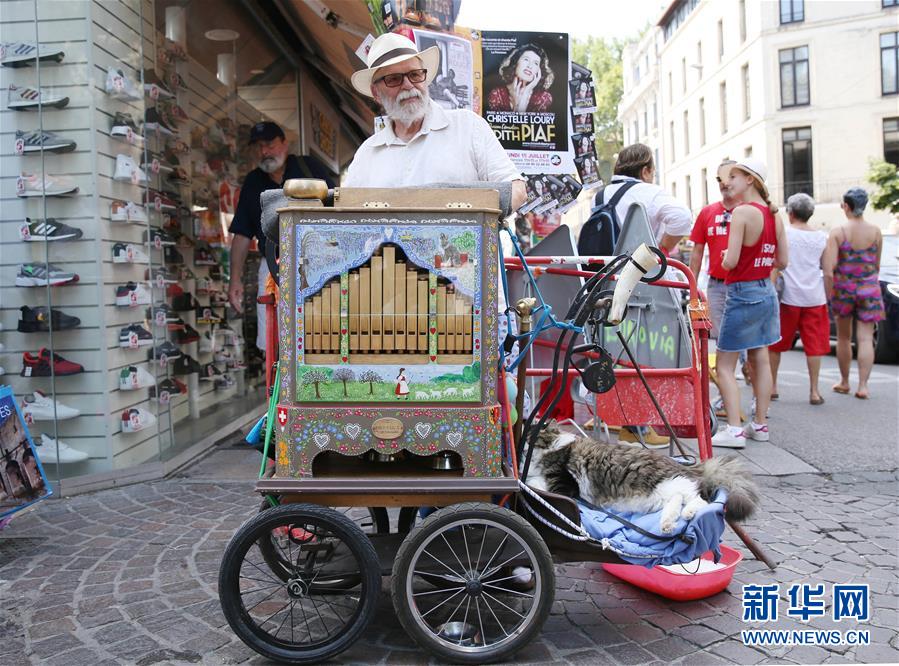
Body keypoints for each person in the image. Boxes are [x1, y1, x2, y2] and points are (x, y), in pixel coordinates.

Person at [345, 32, 525, 205]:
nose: (408, 85)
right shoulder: (366, 154)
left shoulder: (468, 127)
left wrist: (470, 216)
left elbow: (515, 191)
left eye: (415, 75)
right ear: (376, 92)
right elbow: (347, 211)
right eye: (393, 79)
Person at [591, 144, 692, 446]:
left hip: (609, 283)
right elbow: (682, 218)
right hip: (645, 287)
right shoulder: (650, 193)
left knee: (616, 352)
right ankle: (639, 427)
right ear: (646, 170)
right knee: (646, 353)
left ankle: (625, 422)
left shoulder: (602, 196)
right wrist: (659, 250)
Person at [227, 121, 335, 350]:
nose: (264, 152)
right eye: (258, 147)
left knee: (318, 333)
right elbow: (242, 234)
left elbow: (337, 208)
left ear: (285, 144)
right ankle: (274, 373)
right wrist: (234, 279)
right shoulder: (253, 182)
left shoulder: (308, 168)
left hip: (315, 262)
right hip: (272, 265)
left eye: (269, 144)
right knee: (272, 339)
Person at [712, 159, 788, 448]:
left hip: (742, 291)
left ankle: (733, 429)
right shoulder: (773, 214)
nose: (727, 182)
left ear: (750, 180)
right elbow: (783, 261)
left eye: (734, 176)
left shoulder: (742, 212)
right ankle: (760, 424)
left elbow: (730, 261)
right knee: (760, 359)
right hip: (766, 290)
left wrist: (724, 258)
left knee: (725, 365)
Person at [823, 187, 884, 400]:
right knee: (866, 338)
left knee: (843, 337)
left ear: (847, 206)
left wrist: (828, 292)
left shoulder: (838, 232)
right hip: (869, 289)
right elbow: (876, 265)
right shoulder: (876, 231)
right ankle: (863, 386)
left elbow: (830, 268)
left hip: (844, 289)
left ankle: (845, 381)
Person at [769, 193, 829, 405]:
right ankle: (814, 391)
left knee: (776, 344)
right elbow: (827, 271)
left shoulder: (784, 233)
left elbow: (776, 264)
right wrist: (828, 295)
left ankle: (773, 386)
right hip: (815, 297)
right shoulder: (821, 237)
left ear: (791, 212)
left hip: (788, 296)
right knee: (814, 346)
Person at [597, 143, 692, 254]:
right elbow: (683, 216)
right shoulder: (651, 192)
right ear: (645, 172)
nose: (653, 178)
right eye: (653, 173)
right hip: (642, 264)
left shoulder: (599, 196)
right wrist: (662, 249)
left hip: (606, 264)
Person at [689, 160, 738, 338]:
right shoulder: (707, 212)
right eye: (719, 179)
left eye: (730, 177)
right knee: (720, 337)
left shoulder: (749, 210)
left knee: (742, 337)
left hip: (742, 284)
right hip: (716, 286)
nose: (724, 183)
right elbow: (697, 252)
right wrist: (692, 287)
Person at [486, 43, 554, 113]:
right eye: (526, 59)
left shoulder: (543, 97)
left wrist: (525, 94)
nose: (530, 66)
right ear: (515, 63)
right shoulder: (497, 95)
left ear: (539, 71)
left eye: (536, 63)